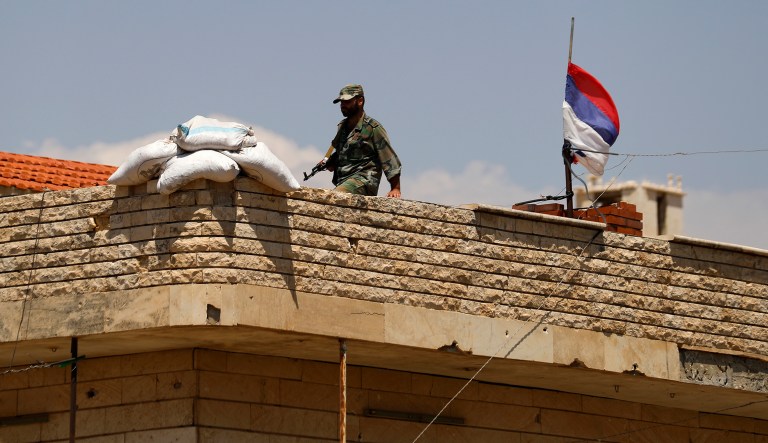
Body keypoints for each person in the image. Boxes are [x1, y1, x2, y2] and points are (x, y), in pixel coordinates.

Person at [325, 84, 402, 198]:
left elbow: (389, 158)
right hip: (344, 181)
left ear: (360, 101)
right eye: (341, 102)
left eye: (347, 101)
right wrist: (332, 162)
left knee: (334, 197)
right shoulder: (342, 127)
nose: (342, 105)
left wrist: (395, 188)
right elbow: (343, 152)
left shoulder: (373, 128)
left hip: (364, 180)